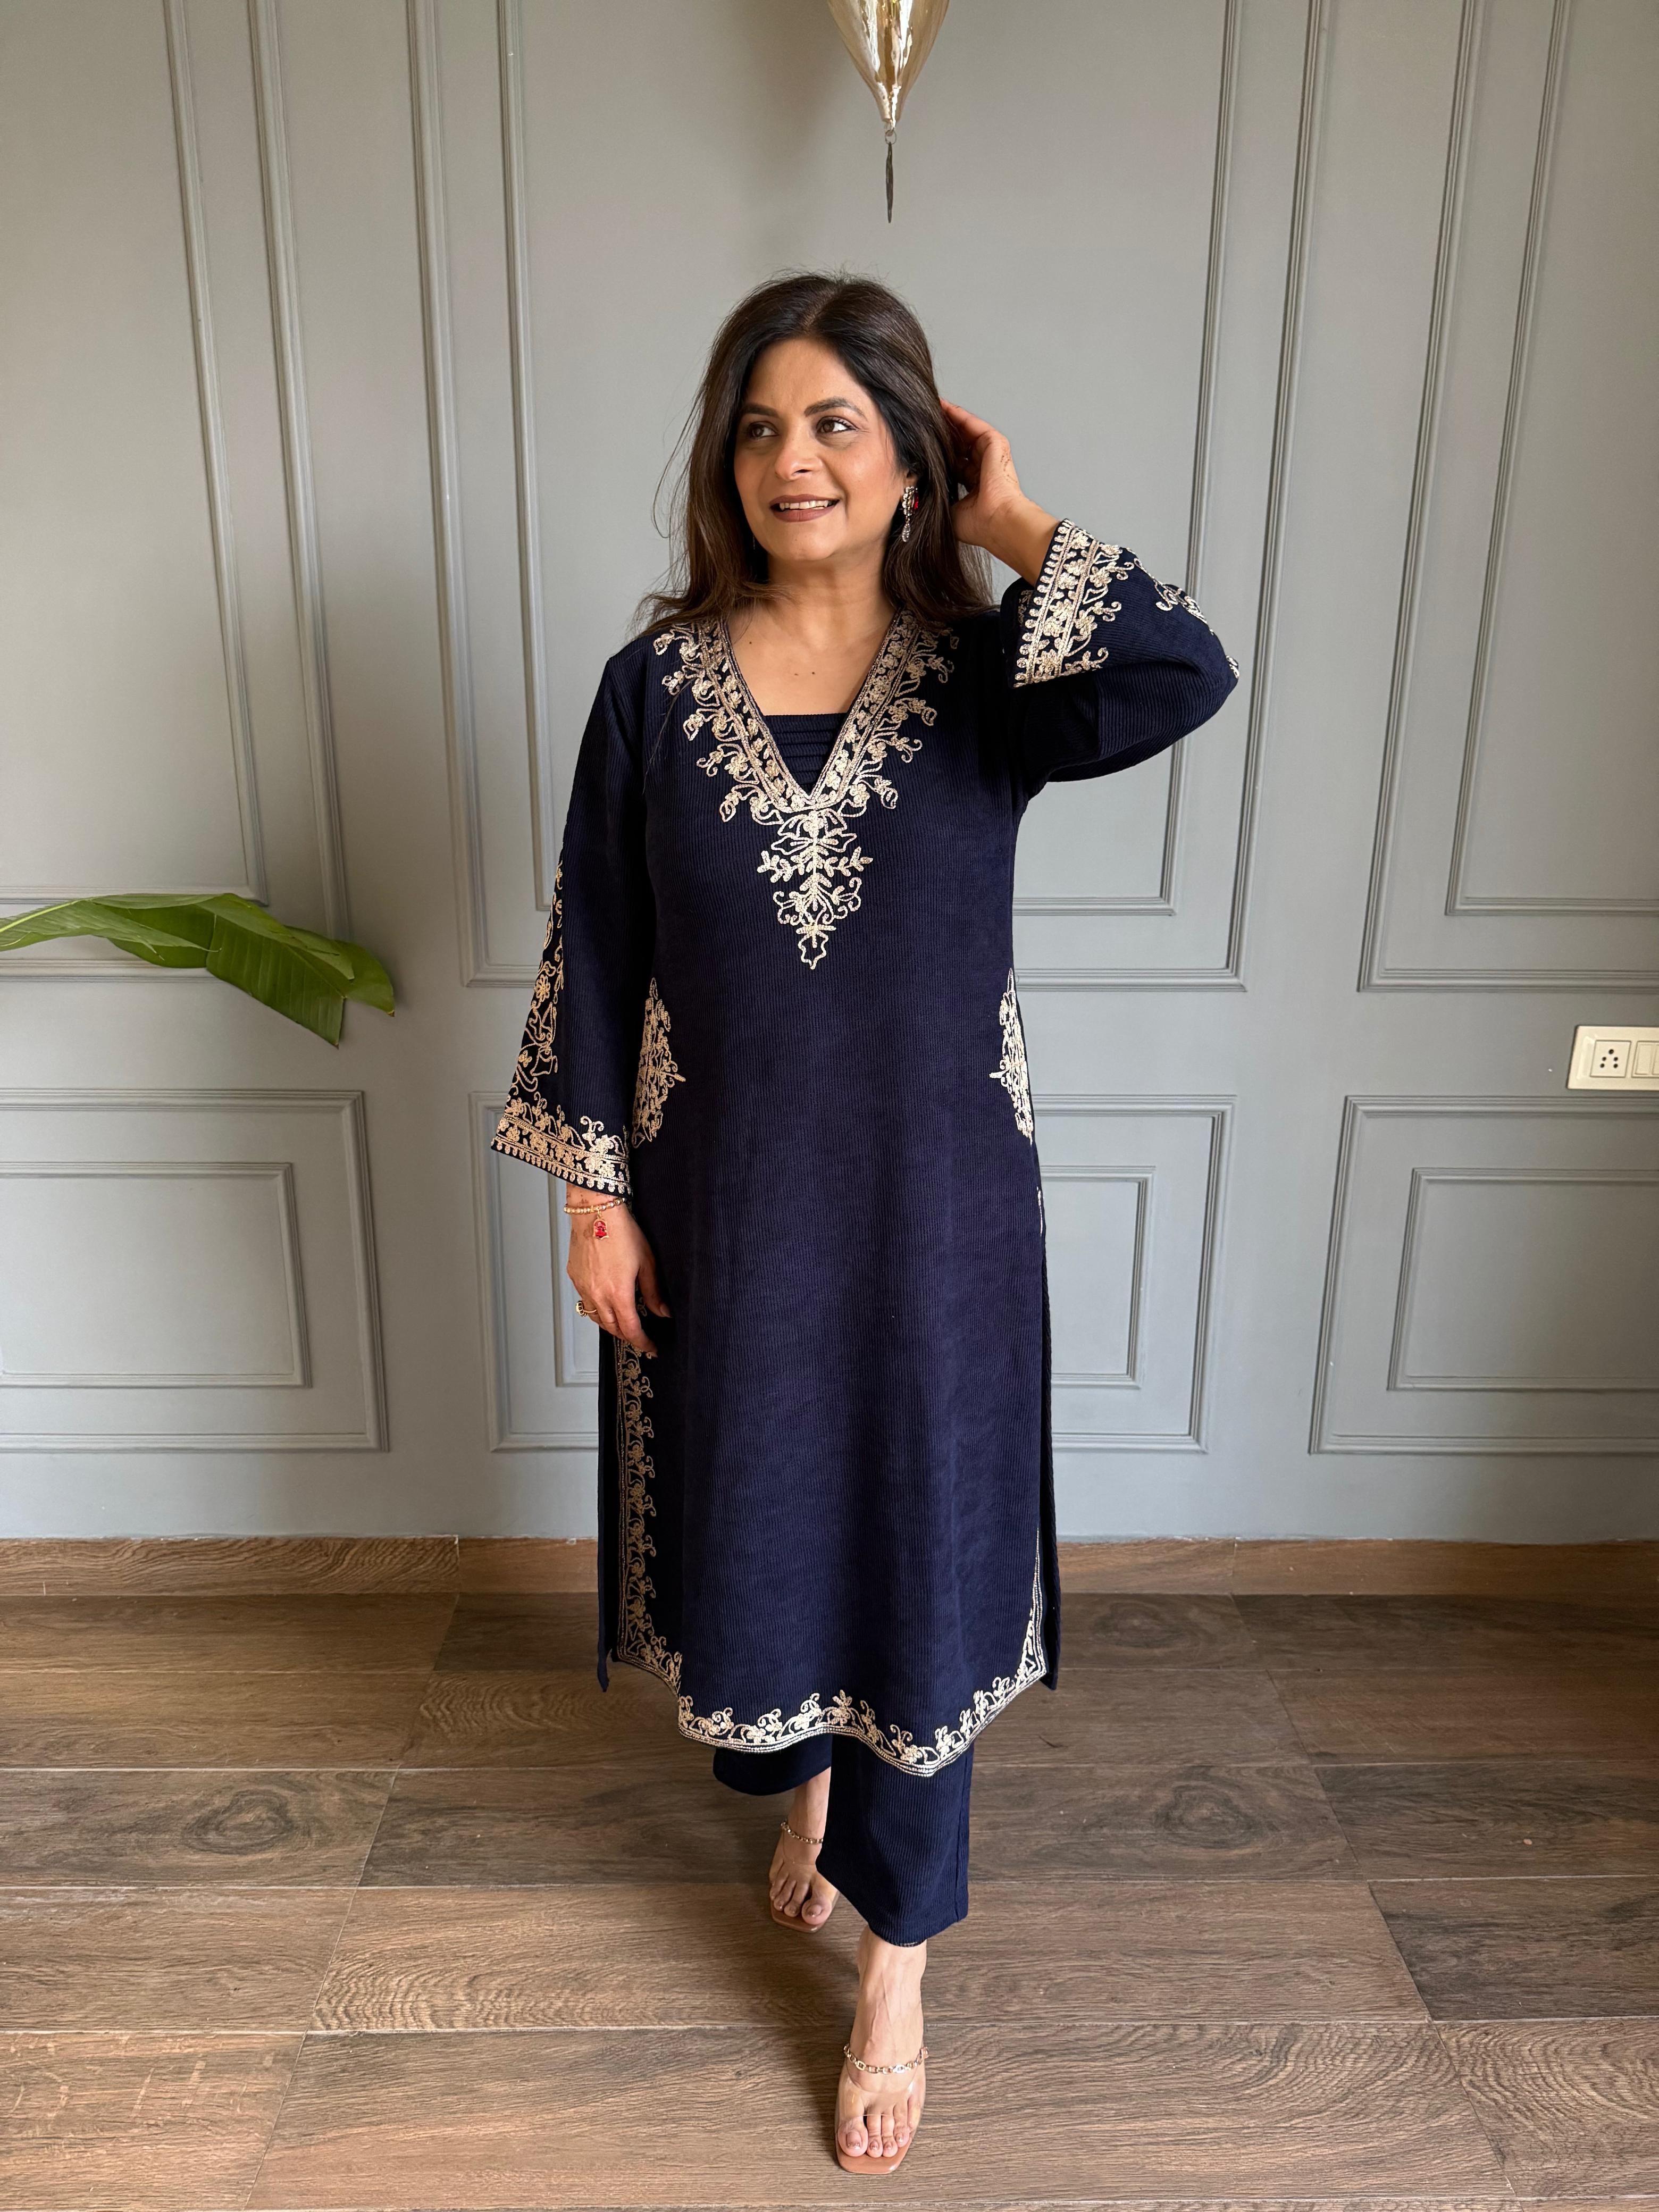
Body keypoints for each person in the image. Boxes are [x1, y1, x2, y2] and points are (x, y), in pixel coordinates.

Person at [491, 270, 1237, 2173]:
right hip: (729, 1213)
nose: (793, 460)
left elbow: (1182, 668)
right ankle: (810, 1787)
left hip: (938, 1221)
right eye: (761, 427)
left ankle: (897, 1972)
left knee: (922, 1555)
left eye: (837, 423)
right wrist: (593, 1194)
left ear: (908, 455)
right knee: (764, 1535)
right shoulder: (653, 691)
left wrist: (1013, 517)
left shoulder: (993, 678)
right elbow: (598, 944)